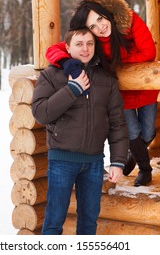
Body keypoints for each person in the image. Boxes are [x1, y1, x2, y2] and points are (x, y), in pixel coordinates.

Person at [45, 0, 158, 187]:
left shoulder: (128, 20)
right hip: (120, 94)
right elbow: (53, 50)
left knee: (147, 134)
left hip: (144, 88)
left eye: (100, 19)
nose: (100, 27)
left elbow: (149, 52)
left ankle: (132, 156)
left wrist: (116, 65)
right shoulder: (93, 41)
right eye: (92, 27)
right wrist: (66, 61)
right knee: (132, 132)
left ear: (107, 13)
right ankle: (145, 169)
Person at [32, 27, 129, 235]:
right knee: (54, 220)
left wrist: (118, 161)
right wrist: (72, 90)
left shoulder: (106, 80)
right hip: (62, 160)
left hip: (93, 163)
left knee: (88, 222)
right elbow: (41, 113)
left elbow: (118, 123)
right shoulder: (51, 76)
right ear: (67, 47)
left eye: (90, 43)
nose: (85, 49)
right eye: (79, 44)